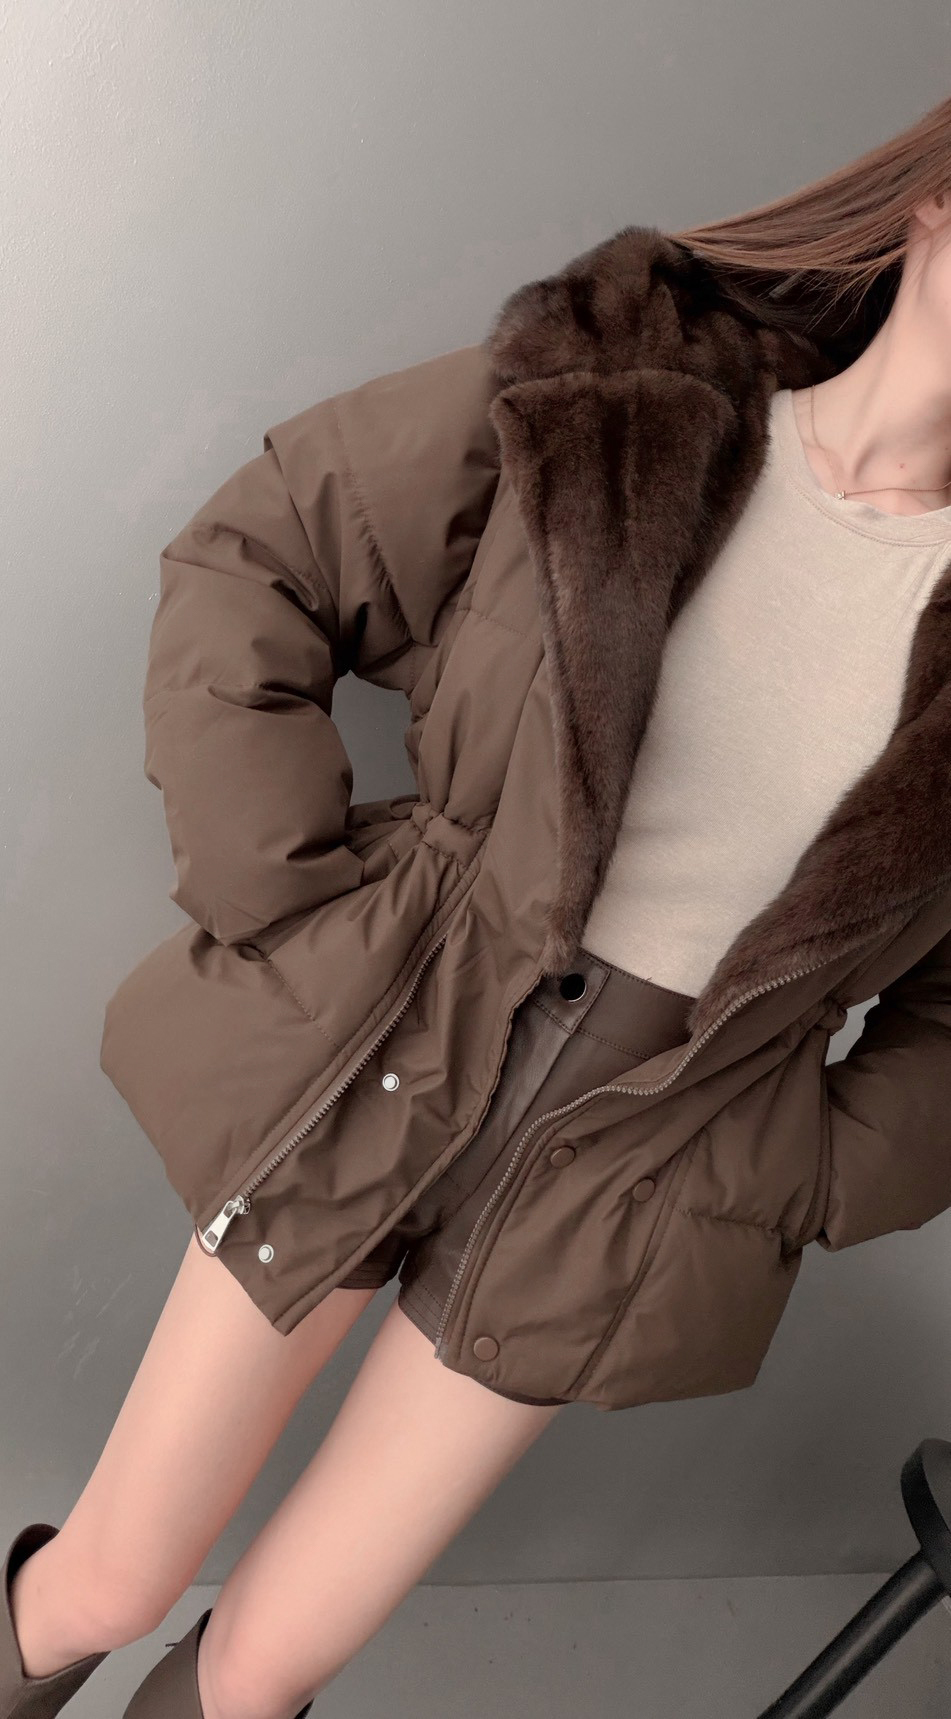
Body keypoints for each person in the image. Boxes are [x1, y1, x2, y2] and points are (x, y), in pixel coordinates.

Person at [5, 90, 951, 1719]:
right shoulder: (626, 393)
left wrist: (794, 1167)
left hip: (639, 1162)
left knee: (264, 1667)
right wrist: (282, 902)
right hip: (393, 1034)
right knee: (115, 1577)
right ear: (935, 201)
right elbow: (263, 555)